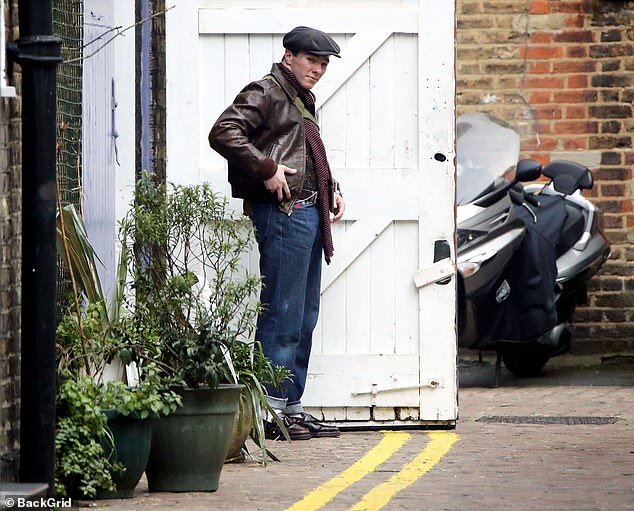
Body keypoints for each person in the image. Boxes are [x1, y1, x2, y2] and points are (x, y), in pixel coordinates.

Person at [209, 26, 346, 440]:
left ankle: (292, 407)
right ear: (289, 56)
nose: (318, 69)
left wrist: (331, 188)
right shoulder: (266, 91)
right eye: (311, 60)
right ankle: (268, 413)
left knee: (303, 316)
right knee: (282, 314)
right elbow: (223, 131)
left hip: (307, 210)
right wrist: (266, 169)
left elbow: (306, 150)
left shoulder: (299, 97)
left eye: (323, 64)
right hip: (283, 213)